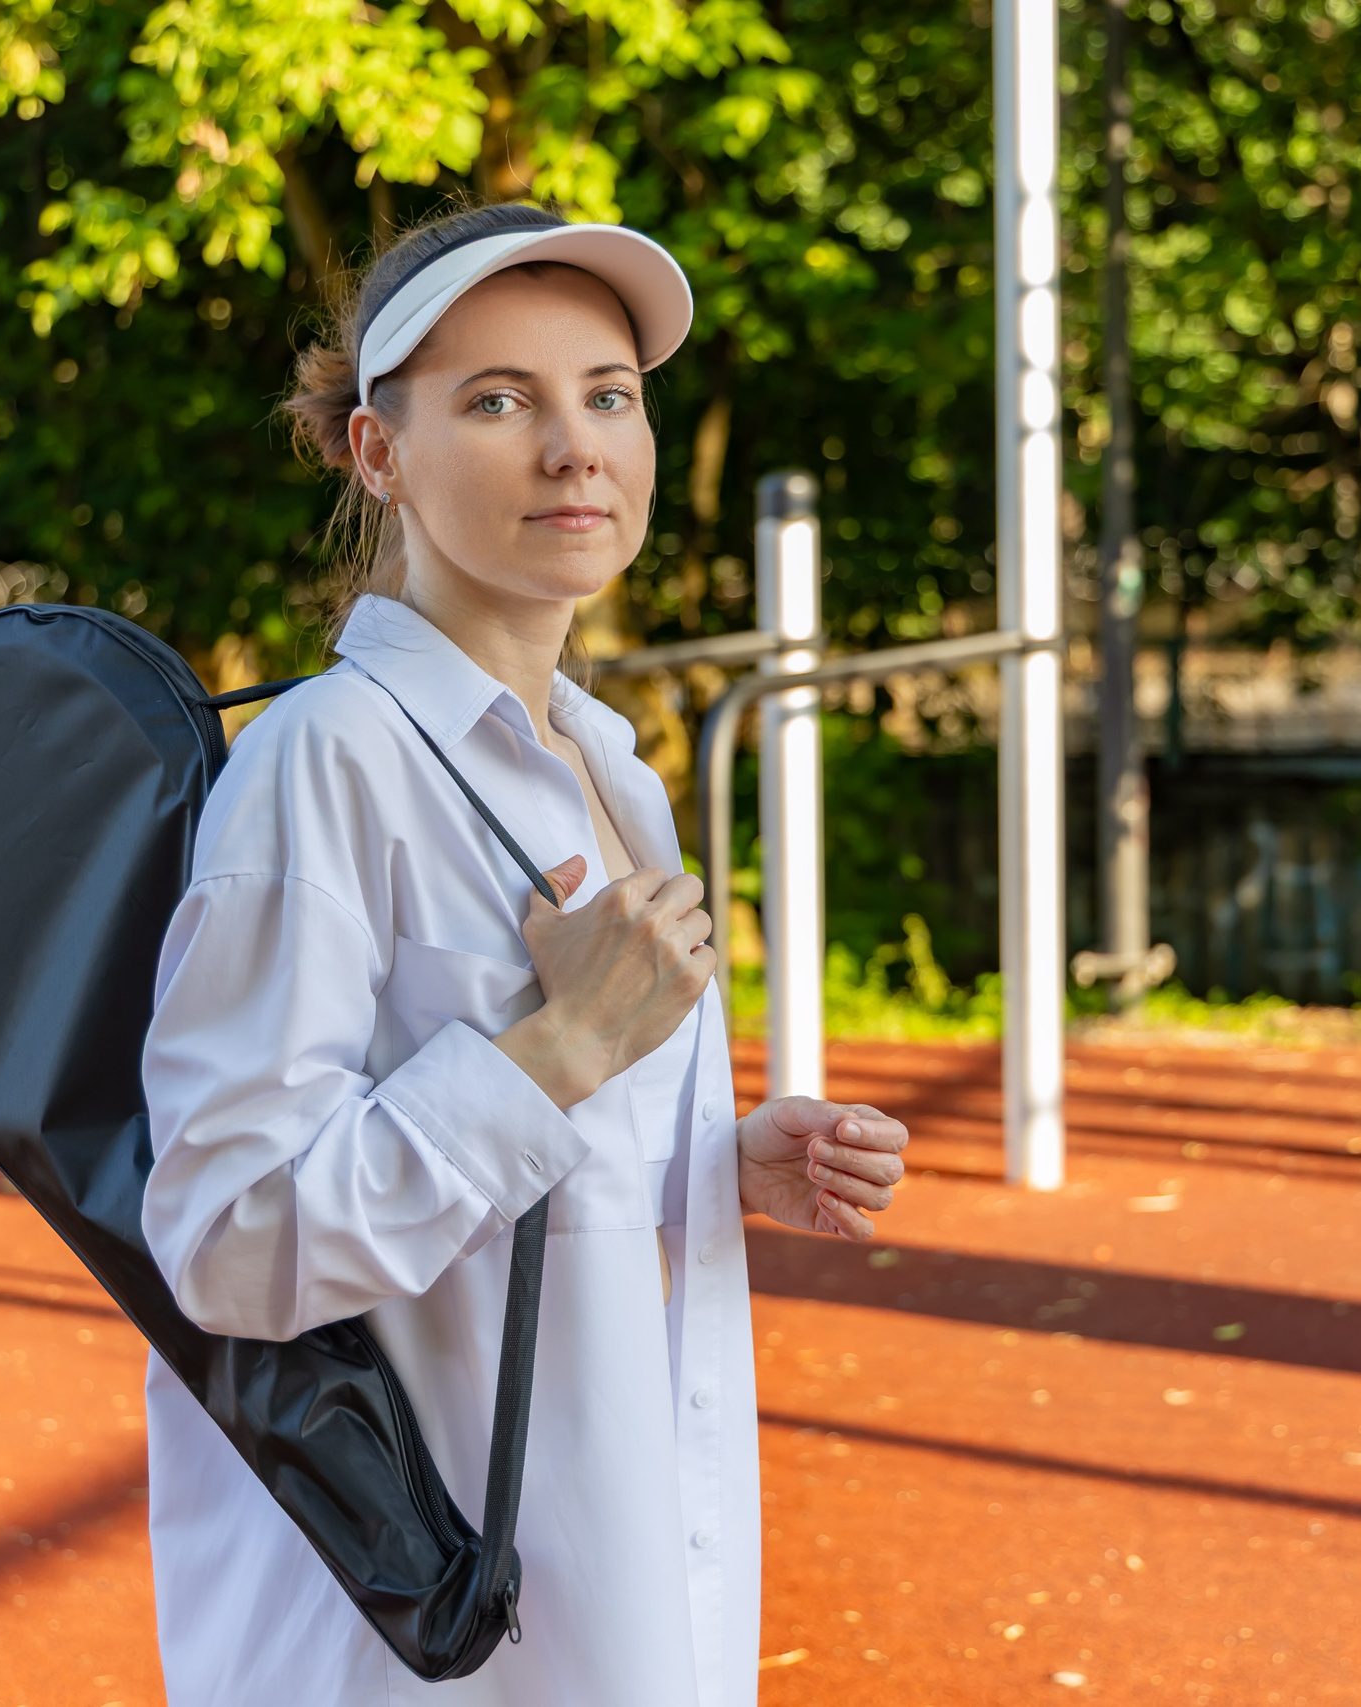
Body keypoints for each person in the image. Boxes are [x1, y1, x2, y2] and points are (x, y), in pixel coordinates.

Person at [139, 201, 911, 1706]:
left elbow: (531, 1161)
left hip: (618, 1602)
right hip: (415, 1649)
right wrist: (557, 1053)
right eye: (500, 401)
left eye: (607, 395)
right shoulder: (325, 765)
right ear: (379, 454)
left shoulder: (611, 770)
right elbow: (228, 1237)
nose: (576, 449)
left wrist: (709, 1159)